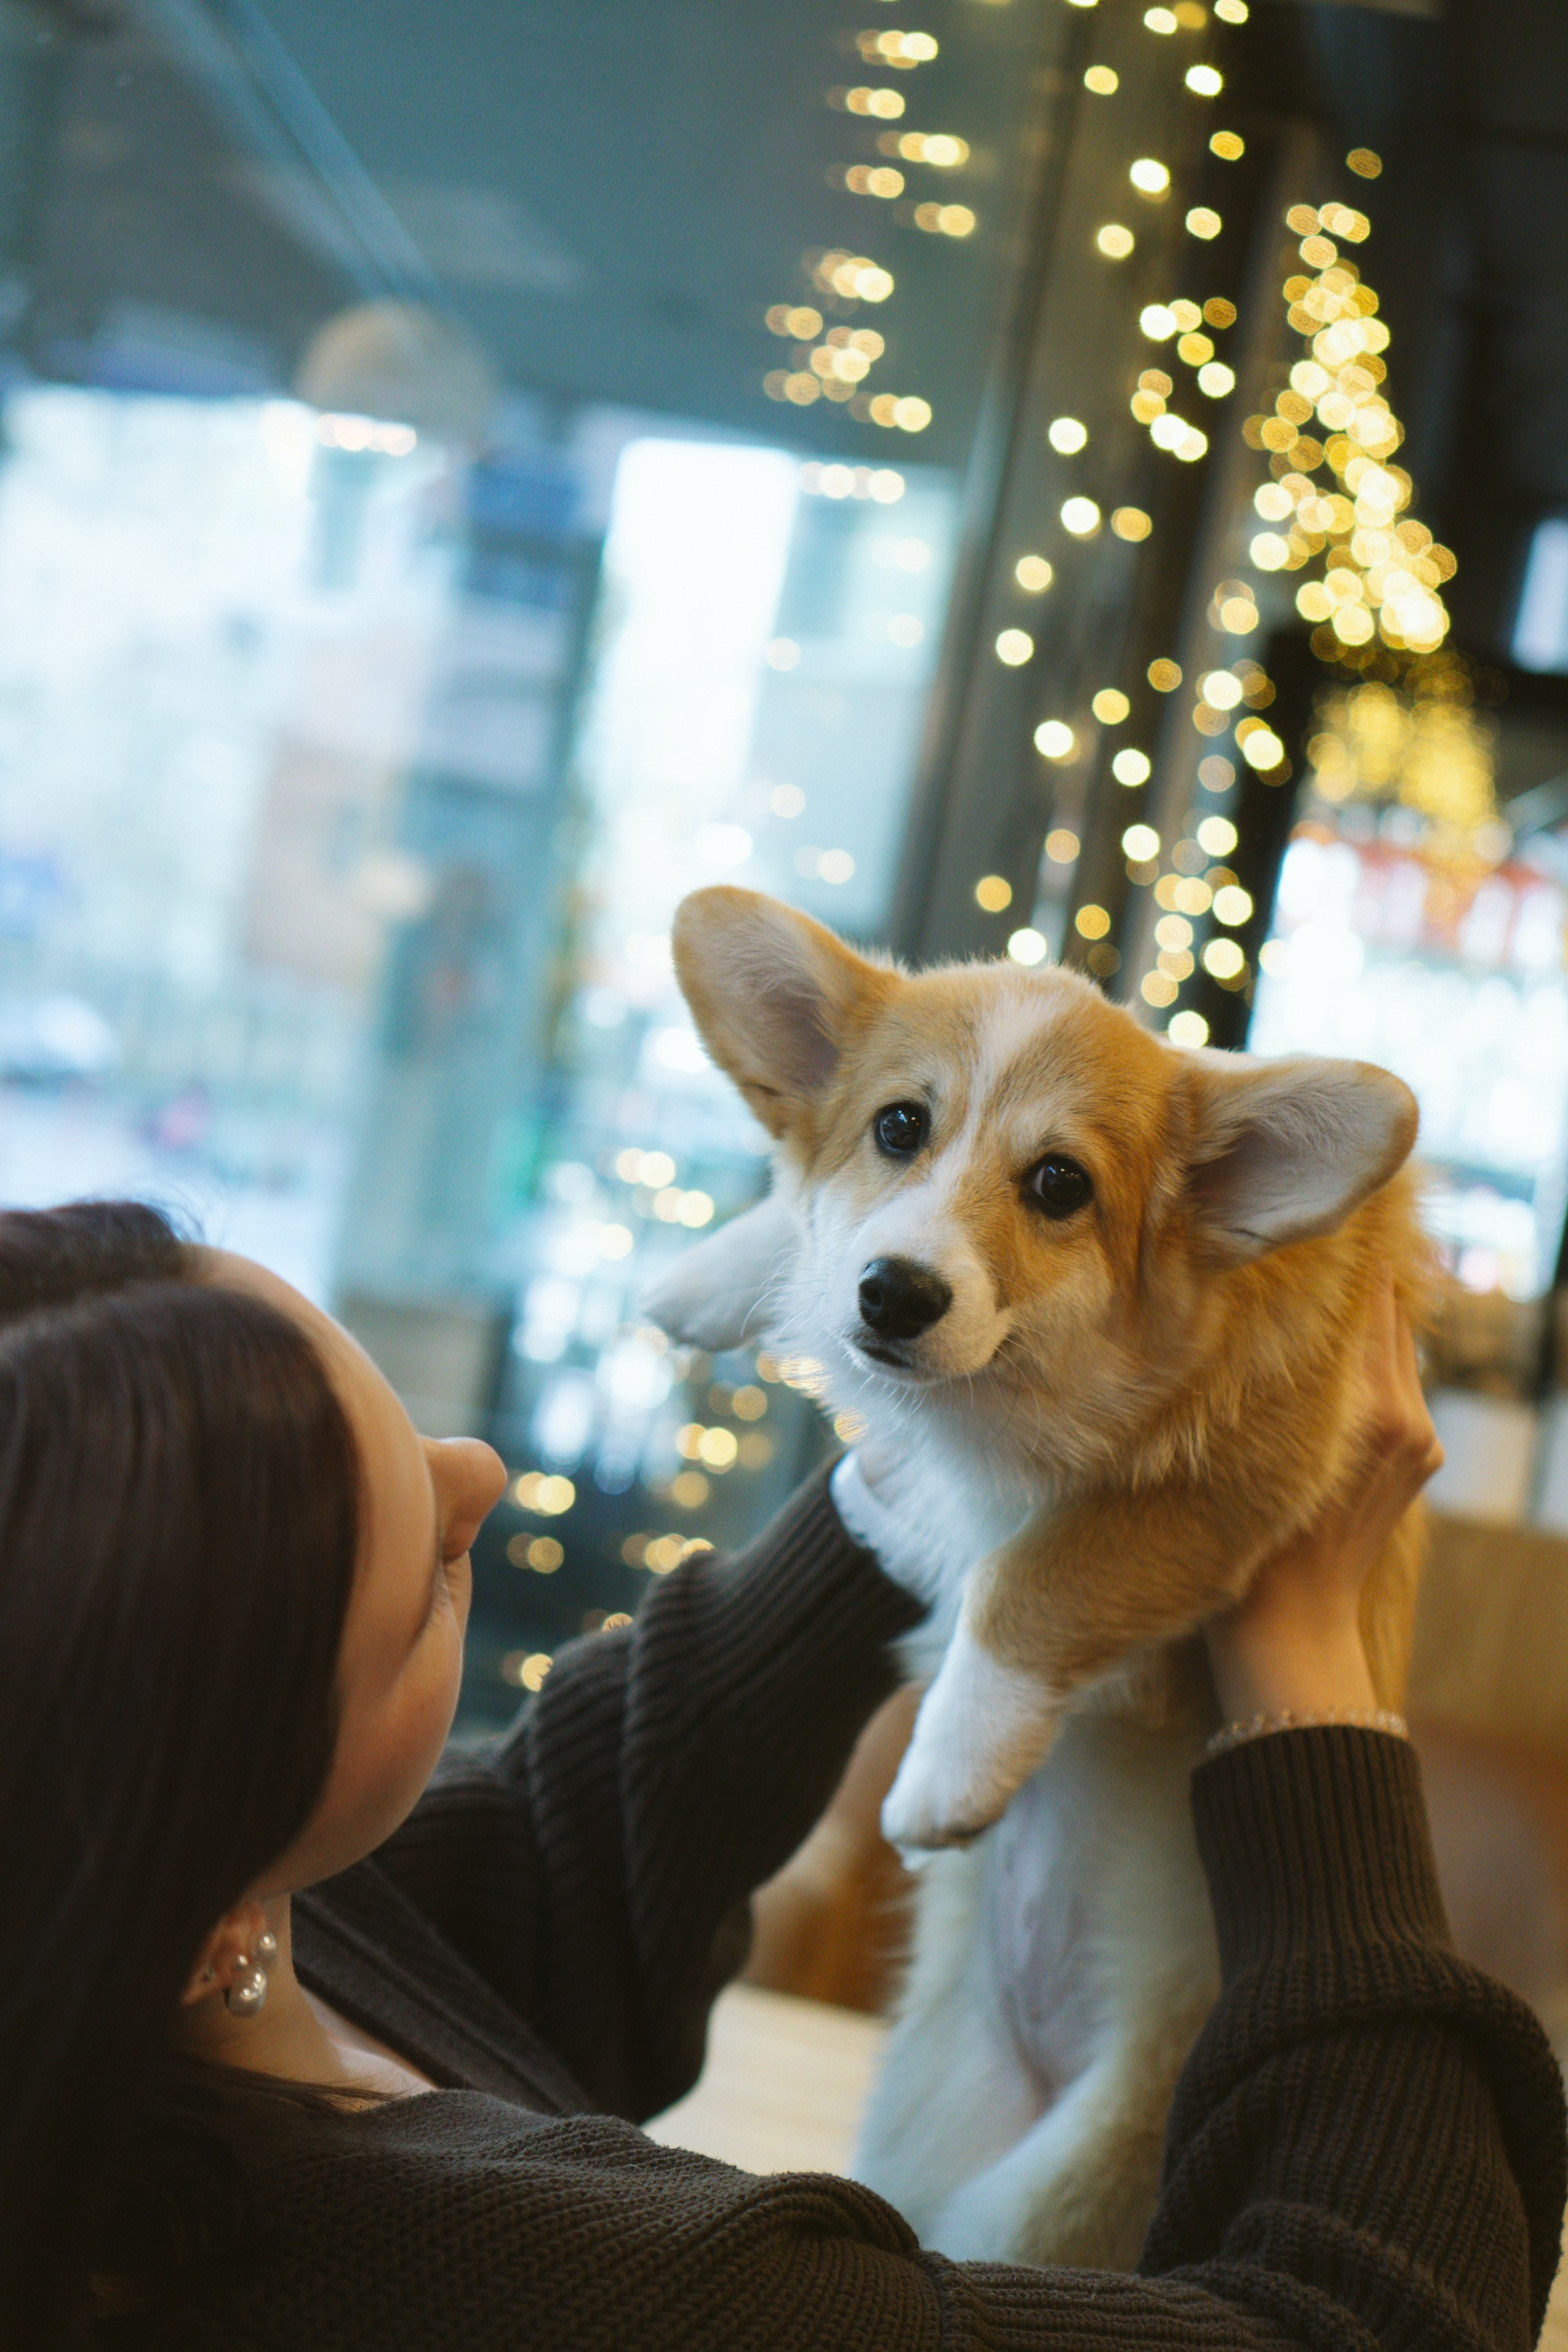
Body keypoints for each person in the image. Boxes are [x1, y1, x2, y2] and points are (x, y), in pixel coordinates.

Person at [0, 1199, 1559, 2351]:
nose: (473, 1473)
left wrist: (942, 1459)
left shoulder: (160, 1955)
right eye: (422, 1576)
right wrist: (1309, 1682)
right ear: (198, 1826)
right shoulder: (600, 2296)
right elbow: (1369, 2323)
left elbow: (567, 1860)